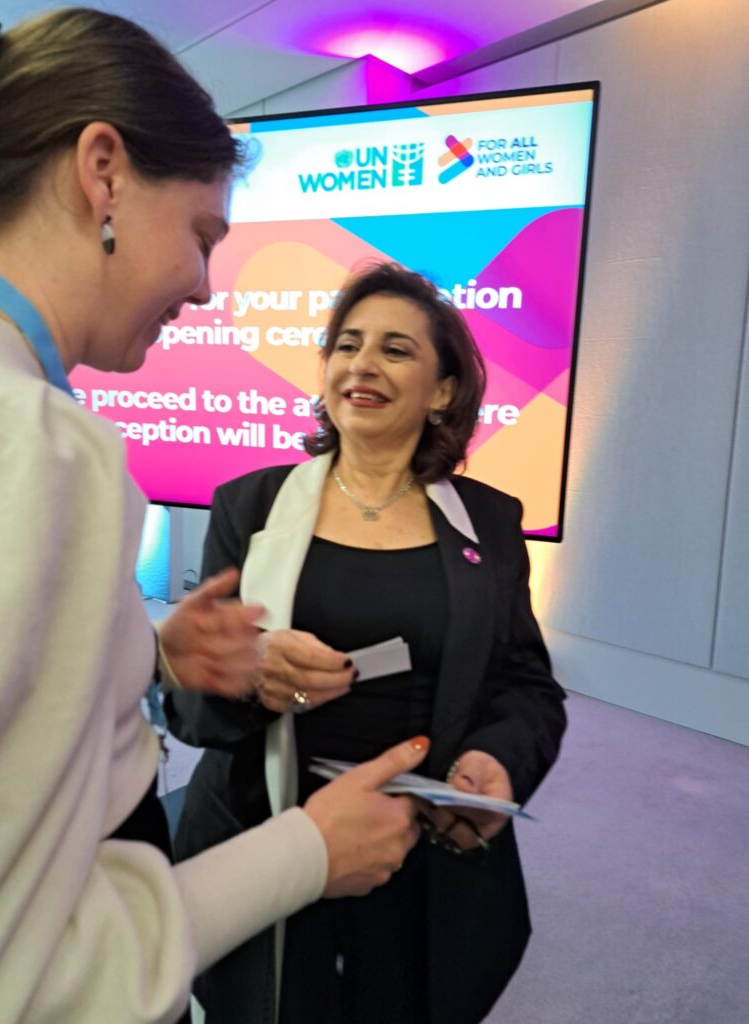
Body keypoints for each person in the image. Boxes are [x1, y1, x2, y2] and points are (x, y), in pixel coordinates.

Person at [0, 10, 430, 1024]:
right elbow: (22, 979)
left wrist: (135, 650)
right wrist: (306, 851)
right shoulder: (39, 446)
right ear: (102, 171)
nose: (203, 286)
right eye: (202, 236)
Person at [167, 262, 568, 1024]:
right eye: (347, 344)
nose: (362, 364)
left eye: (395, 349)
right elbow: (187, 705)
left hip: (423, 846)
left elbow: (527, 685)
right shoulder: (249, 506)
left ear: (443, 391)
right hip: (266, 841)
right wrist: (250, 679)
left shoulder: (490, 522)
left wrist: (500, 761)